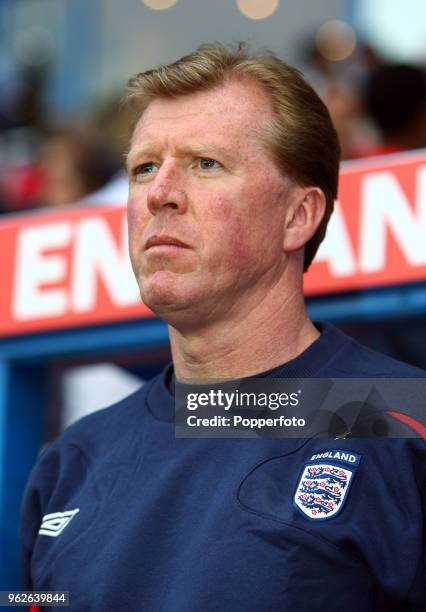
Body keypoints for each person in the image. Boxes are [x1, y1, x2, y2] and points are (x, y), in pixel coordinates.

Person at [20, 43, 425, 611]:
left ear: (298, 216)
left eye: (205, 163)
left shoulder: (404, 421)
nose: (159, 194)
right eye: (143, 169)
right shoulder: (71, 461)